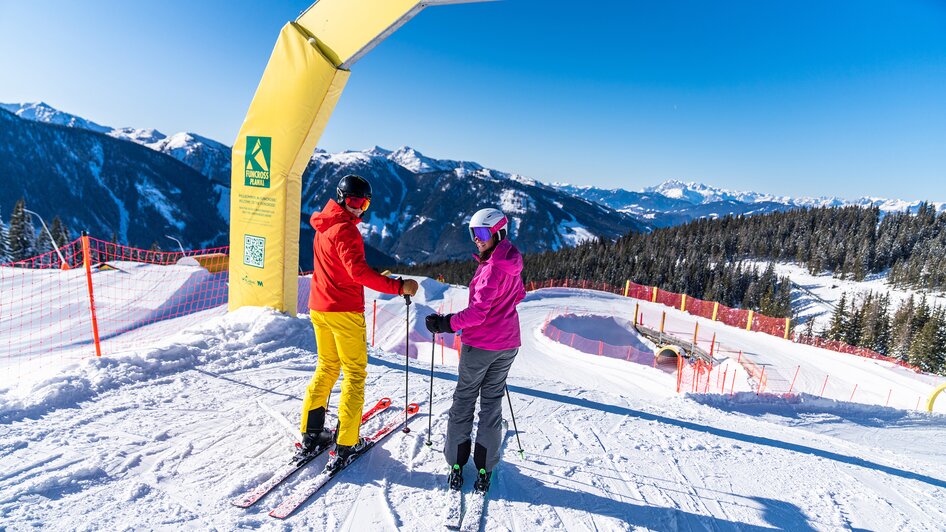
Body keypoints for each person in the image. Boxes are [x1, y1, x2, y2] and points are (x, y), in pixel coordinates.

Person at [301, 174, 419, 470]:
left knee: (327, 367)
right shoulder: (346, 231)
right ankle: (347, 443)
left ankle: (312, 433)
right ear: (342, 199)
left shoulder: (322, 225)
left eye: (363, 203)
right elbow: (358, 273)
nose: (358, 209)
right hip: (343, 311)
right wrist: (398, 285)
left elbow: (338, 268)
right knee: (354, 373)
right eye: (354, 201)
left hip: (319, 306)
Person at [425, 207, 526, 493]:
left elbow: (477, 314)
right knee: (492, 402)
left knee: (465, 399)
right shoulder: (511, 259)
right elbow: (519, 294)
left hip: (480, 344)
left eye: (482, 233)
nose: (477, 239)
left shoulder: (492, 267)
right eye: (473, 233)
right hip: (508, 344)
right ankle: (485, 467)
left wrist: (445, 323)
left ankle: (457, 461)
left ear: (498, 232)